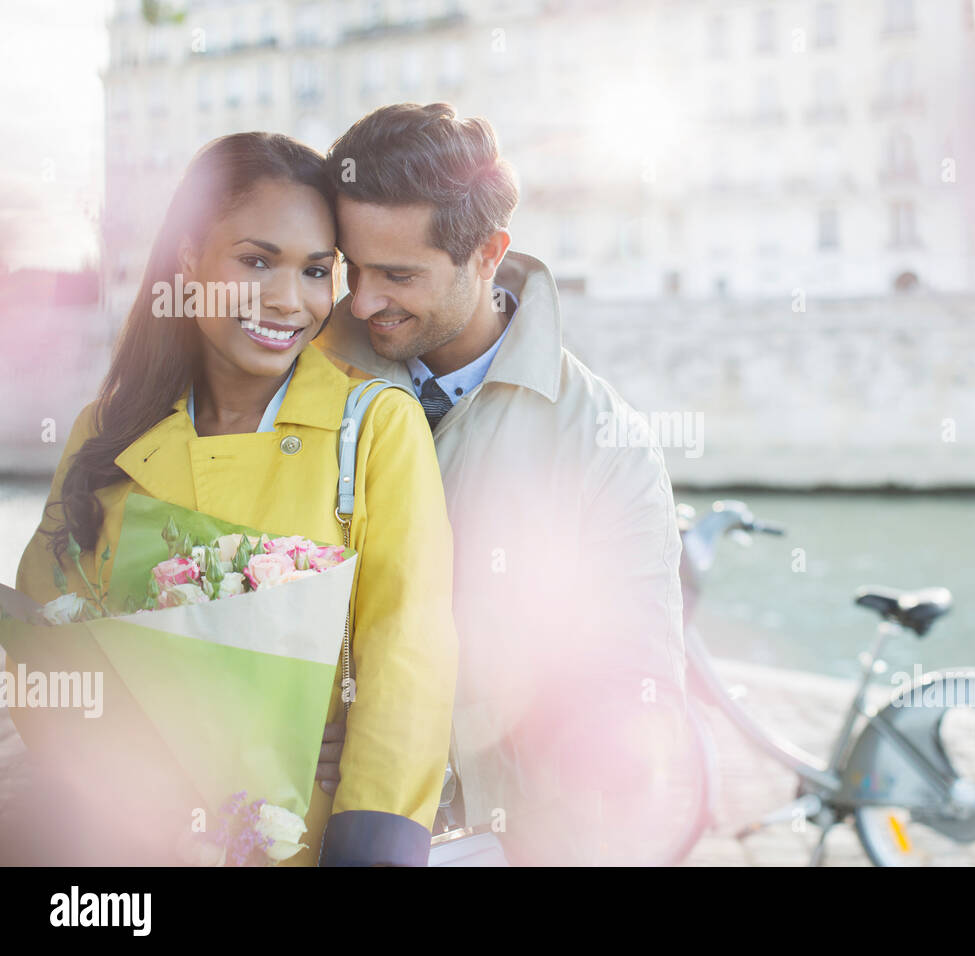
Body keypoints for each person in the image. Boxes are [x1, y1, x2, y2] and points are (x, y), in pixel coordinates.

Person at [3, 132, 456, 867]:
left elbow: (408, 657)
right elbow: (44, 650)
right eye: (256, 260)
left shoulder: (372, 426)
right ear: (188, 259)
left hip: (303, 842)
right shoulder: (104, 432)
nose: (288, 300)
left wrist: (373, 846)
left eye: (316, 270)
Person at [314, 103, 693, 865]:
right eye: (352, 267)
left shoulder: (603, 442)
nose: (361, 301)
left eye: (398, 275)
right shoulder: (297, 381)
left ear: (488, 254)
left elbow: (637, 683)